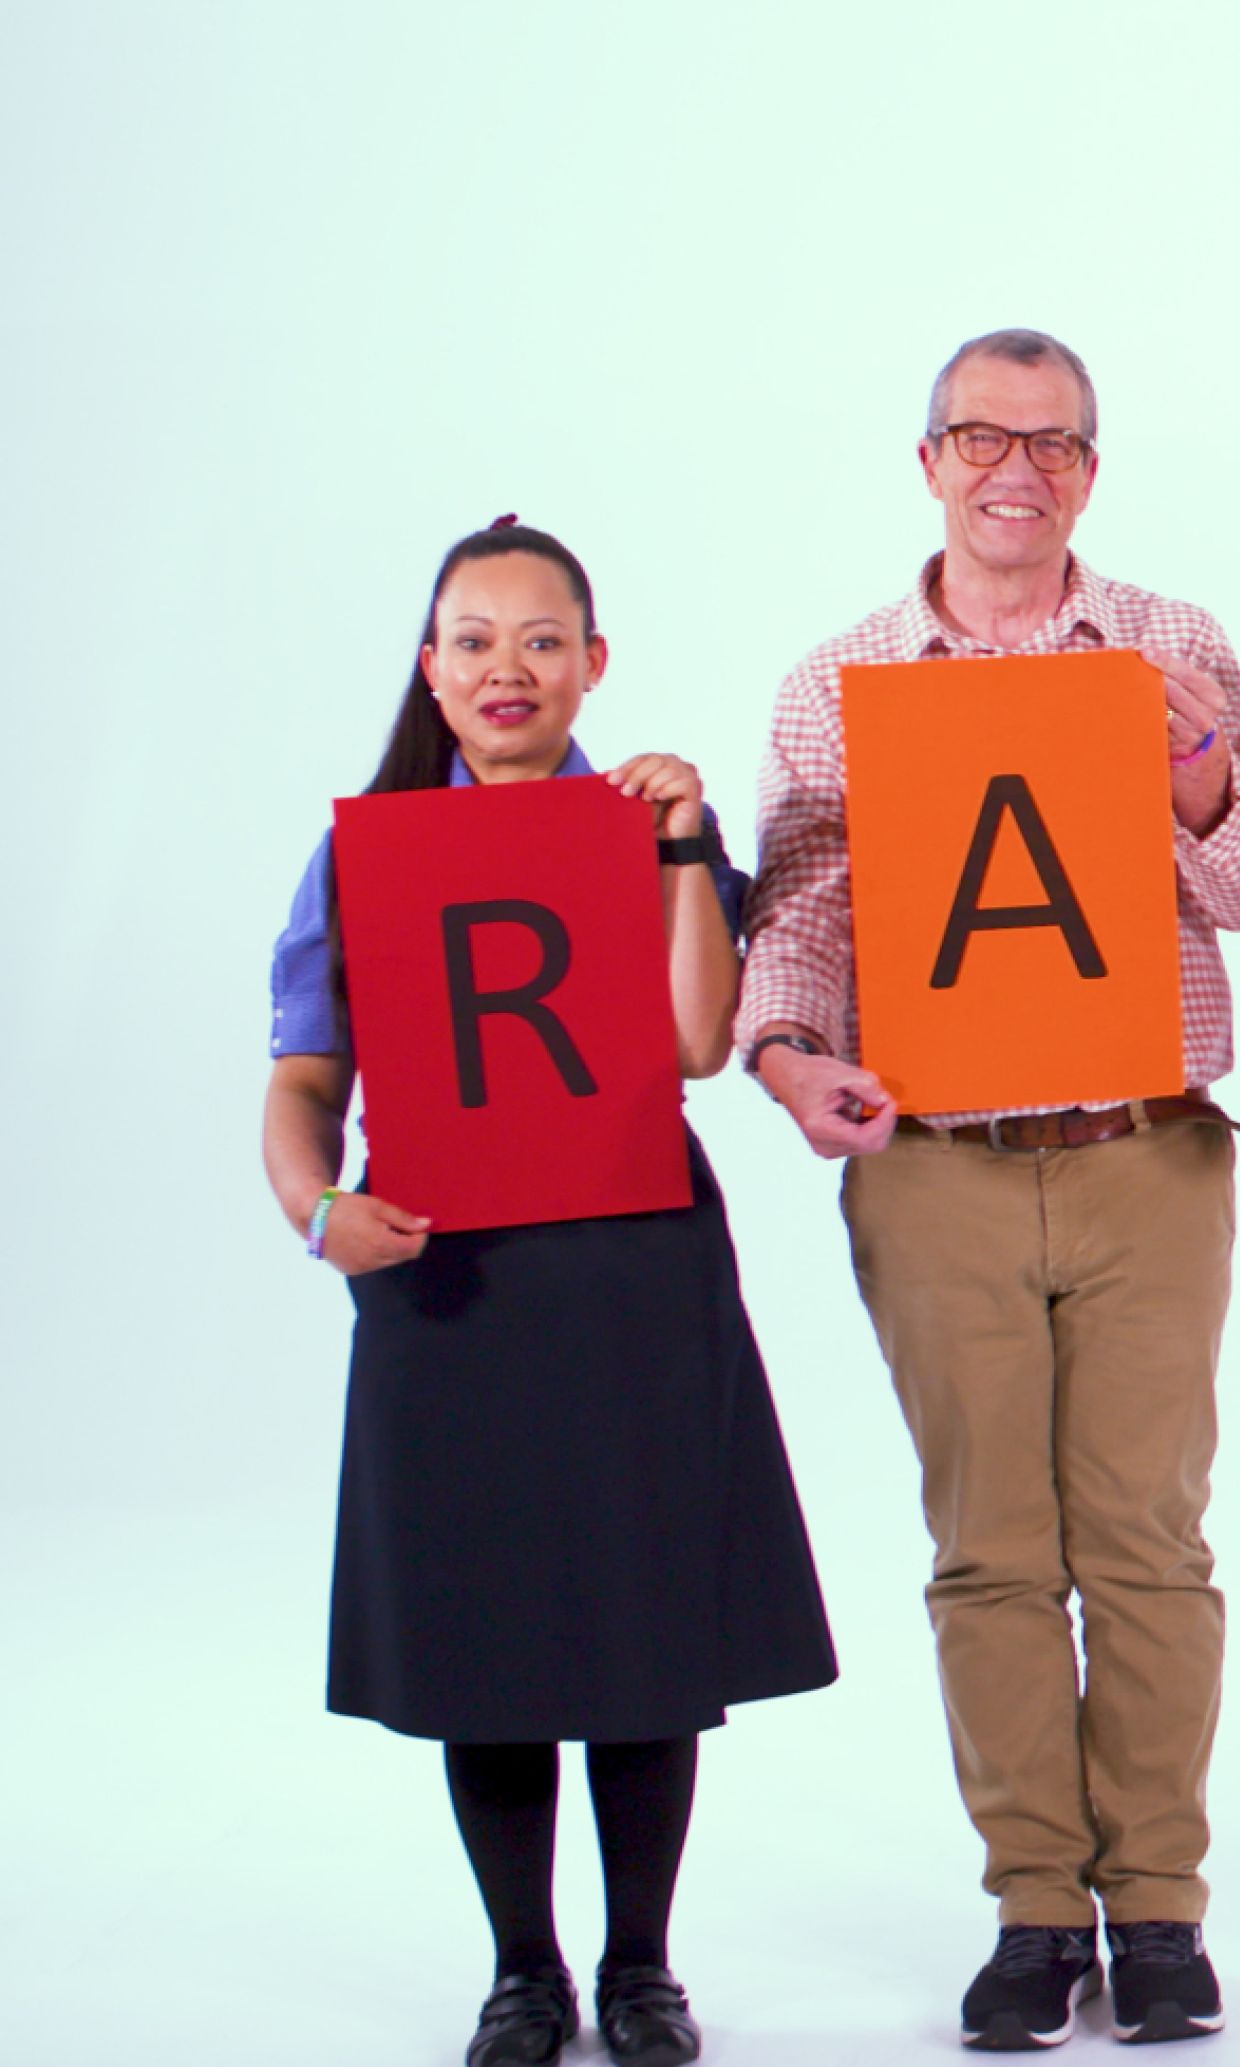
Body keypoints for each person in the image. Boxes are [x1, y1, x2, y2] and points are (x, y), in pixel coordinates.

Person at [735, 329, 1240, 2050]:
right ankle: (1039, 1908)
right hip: (939, 1163)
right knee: (990, 1550)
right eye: (983, 438)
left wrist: (1195, 769)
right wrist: (784, 1056)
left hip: (1141, 1151)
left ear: (1090, 473)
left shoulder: (1170, 639)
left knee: (1147, 1542)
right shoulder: (840, 680)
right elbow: (807, 909)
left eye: (1053, 446)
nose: (1017, 472)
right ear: (929, 464)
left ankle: (1164, 1911)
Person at [261, 521, 836, 2067]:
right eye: (473, 639)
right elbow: (303, 1078)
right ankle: (526, 1971)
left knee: (646, 1619)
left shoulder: (645, 826)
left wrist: (678, 845)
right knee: (486, 1631)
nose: (506, 668)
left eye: (540, 639)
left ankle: (642, 1967)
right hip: (450, 1267)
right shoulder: (368, 849)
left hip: (634, 1257)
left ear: (595, 661)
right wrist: (319, 1209)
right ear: (429, 668)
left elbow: (702, 1043)